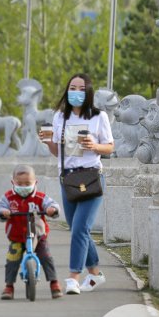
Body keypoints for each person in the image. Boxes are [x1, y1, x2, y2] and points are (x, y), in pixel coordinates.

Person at [39, 73, 114, 295]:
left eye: (81, 89)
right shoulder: (60, 118)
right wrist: (47, 142)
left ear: (88, 92)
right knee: (77, 229)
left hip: (91, 177)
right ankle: (95, 274)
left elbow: (109, 147)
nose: (76, 92)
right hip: (67, 178)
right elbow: (56, 152)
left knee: (80, 228)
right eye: (73, 87)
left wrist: (94, 145)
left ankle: (73, 277)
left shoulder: (99, 117)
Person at [0, 165, 62, 300]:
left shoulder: (40, 197)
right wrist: (3, 213)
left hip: (37, 236)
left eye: (27, 183)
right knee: (12, 260)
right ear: (13, 182)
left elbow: (53, 205)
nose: (23, 186)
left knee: (46, 256)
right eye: (19, 183)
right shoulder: (8, 197)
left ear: (35, 183)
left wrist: (52, 209)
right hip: (17, 236)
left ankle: (54, 283)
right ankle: (9, 286)